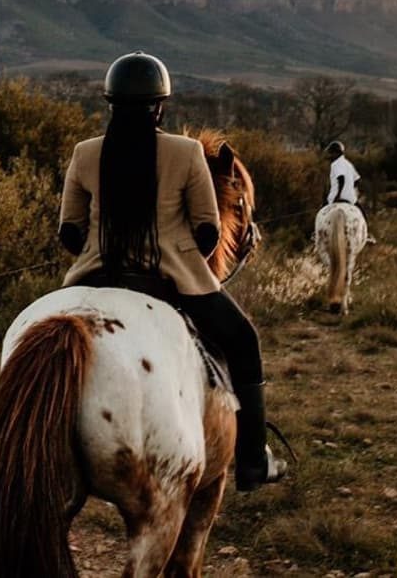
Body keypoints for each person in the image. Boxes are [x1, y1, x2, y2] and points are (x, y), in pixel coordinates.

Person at [58, 51, 288, 491]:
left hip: (94, 278)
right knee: (244, 340)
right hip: (170, 281)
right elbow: (208, 231)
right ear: (161, 106)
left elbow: (69, 232)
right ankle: (254, 462)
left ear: (110, 103)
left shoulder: (84, 153)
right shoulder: (184, 153)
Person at [324, 140, 360, 206]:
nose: (330, 156)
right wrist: (350, 189)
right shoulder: (349, 164)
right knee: (363, 215)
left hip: (336, 197)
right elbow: (357, 179)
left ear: (336, 153)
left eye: (331, 153)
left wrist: (338, 196)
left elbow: (341, 178)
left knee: (321, 214)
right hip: (351, 199)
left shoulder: (335, 164)